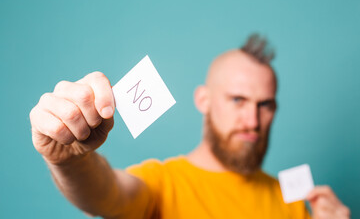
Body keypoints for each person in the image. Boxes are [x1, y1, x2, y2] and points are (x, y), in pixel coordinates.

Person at [30, 34, 350, 219]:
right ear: (204, 100)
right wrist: (70, 161)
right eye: (237, 100)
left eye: (264, 105)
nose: (252, 121)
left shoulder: (294, 203)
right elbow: (107, 195)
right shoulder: (161, 183)